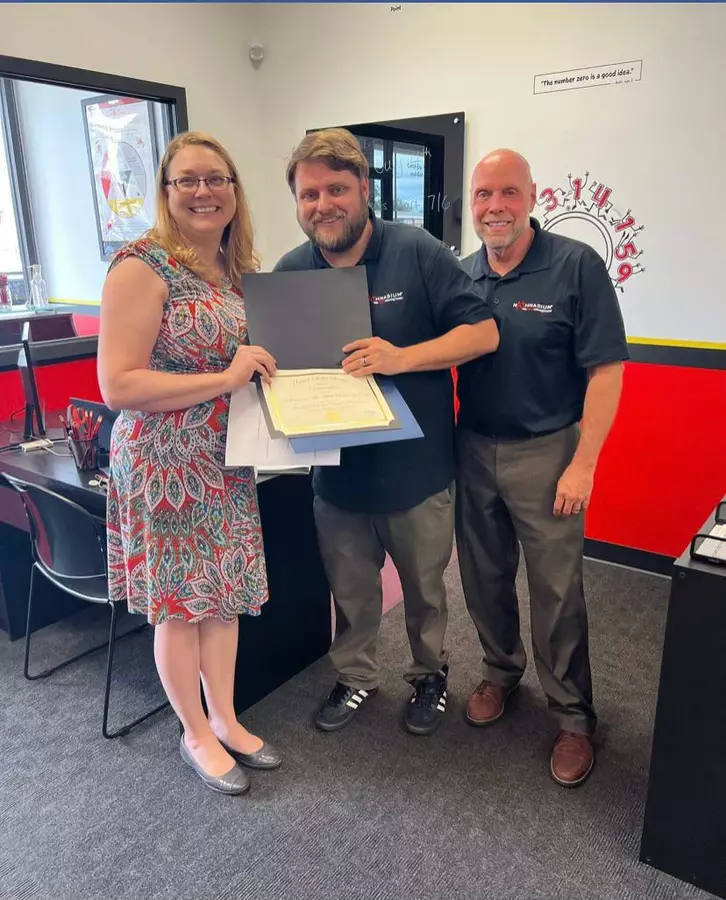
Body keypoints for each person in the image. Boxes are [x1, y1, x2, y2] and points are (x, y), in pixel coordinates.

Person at [274, 128, 499, 736]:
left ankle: (429, 675)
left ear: (363, 190)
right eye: (309, 194)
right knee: (350, 590)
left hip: (415, 472)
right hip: (337, 474)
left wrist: (401, 357)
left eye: (336, 189)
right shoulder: (291, 271)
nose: (323, 205)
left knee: (425, 591)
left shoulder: (416, 250)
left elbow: (483, 333)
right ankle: (355, 676)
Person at [97, 131, 282, 796]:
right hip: (164, 462)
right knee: (180, 605)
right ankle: (195, 732)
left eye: (216, 179)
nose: (204, 192)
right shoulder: (140, 266)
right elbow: (118, 385)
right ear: (167, 192)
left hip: (224, 458)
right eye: (188, 180)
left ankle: (225, 717)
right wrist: (226, 379)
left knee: (221, 597)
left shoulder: (232, 270)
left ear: (234, 190)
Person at [455, 149, 629, 787]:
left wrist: (584, 463)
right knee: (482, 578)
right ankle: (501, 671)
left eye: (508, 192)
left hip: (548, 451)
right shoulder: (462, 275)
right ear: (471, 203)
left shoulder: (574, 266)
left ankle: (573, 717)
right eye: (483, 194)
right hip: (473, 448)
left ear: (532, 196)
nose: (495, 206)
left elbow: (606, 371)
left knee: (557, 591)